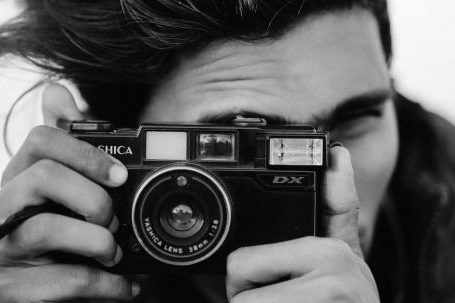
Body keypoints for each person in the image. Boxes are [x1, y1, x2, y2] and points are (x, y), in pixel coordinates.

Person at [0, 0, 454, 302]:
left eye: (356, 120)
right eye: (246, 146)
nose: (331, 183)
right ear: (108, 148)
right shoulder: (63, 256)